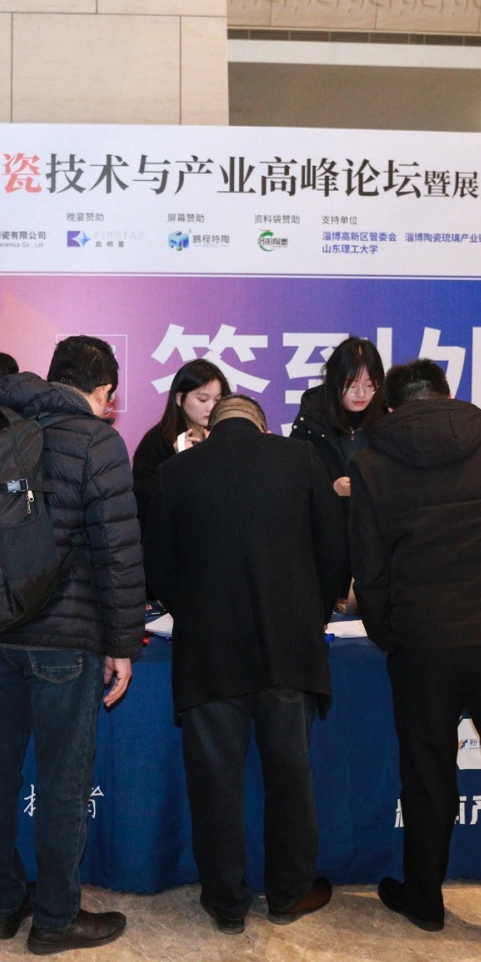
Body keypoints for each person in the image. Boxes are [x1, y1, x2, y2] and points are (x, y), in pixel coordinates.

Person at [0, 336, 145, 956]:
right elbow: (117, 553)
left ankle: (5, 905)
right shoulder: (96, 441)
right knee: (62, 781)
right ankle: (56, 918)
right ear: (103, 391)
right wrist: (122, 644)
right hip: (66, 641)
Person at [349, 358, 481, 955]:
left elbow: (369, 566)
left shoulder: (372, 460)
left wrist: (390, 634)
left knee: (426, 774)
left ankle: (424, 898)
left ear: (391, 406)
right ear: (447, 394)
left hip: (422, 640)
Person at [143, 394, 347, 934]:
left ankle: (226, 903)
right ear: (263, 425)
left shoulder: (176, 472)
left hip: (209, 655)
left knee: (214, 785)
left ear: (209, 428)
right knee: (291, 779)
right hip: (288, 649)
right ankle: (288, 893)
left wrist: (194, 612)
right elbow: (334, 549)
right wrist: (311, 614)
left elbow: (157, 565)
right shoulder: (300, 459)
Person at [130, 358, 229, 525]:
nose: (211, 407)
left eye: (218, 400)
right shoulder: (158, 440)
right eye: (203, 399)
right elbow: (141, 499)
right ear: (179, 398)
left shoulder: (225, 437)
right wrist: (178, 462)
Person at [289, 337, 387, 499]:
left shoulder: (389, 418)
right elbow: (293, 484)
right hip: (331, 514)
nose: (361, 394)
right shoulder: (311, 422)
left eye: (369, 385)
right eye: (351, 386)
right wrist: (331, 489)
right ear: (335, 382)